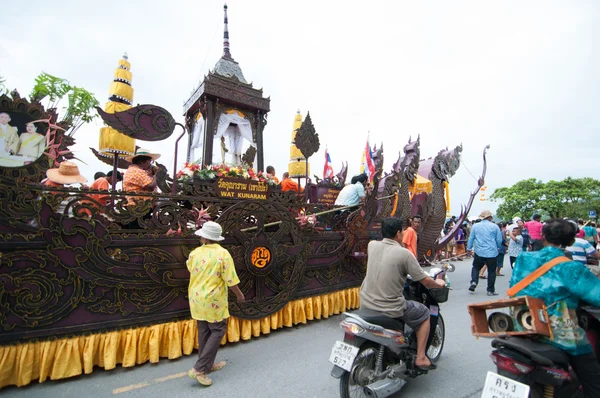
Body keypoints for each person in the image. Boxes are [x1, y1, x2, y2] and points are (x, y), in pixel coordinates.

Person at [509, 219, 600, 397]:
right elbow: (595, 295)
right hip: (559, 335)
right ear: (572, 241)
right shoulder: (571, 268)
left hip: (522, 325)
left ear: (542, 236)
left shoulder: (523, 258)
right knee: (593, 379)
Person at [360, 217, 446, 370]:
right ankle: (421, 357)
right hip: (390, 307)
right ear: (399, 233)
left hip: (365, 303)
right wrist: (438, 283)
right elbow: (425, 280)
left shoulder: (372, 245)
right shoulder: (404, 254)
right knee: (424, 314)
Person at [186, 221, 245, 386]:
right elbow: (231, 280)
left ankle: (207, 364)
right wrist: (239, 295)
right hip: (213, 300)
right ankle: (199, 369)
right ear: (217, 239)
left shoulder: (194, 253)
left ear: (204, 238)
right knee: (218, 330)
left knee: (204, 330)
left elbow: (191, 269)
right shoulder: (223, 254)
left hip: (196, 297)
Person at [467, 210, 503, 295]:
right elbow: (499, 239)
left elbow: (471, 238)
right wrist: (498, 247)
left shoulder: (475, 226)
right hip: (492, 252)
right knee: (491, 271)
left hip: (479, 251)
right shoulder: (495, 226)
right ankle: (490, 290)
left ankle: (474, 282)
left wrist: (469, 248)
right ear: (490, 217)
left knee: (476, 267)